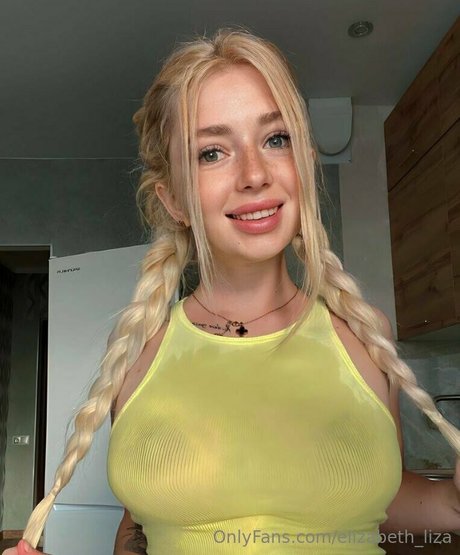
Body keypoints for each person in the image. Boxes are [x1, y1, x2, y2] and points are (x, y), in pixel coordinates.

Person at [4, 28, 460, 555]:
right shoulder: (137, 351)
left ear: (303, 163)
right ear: (174, 199)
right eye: (212, 152)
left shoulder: (364, 334)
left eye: (275, 139)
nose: (254, 174)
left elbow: (378, 502)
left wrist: (452, 501)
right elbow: (138, 528)